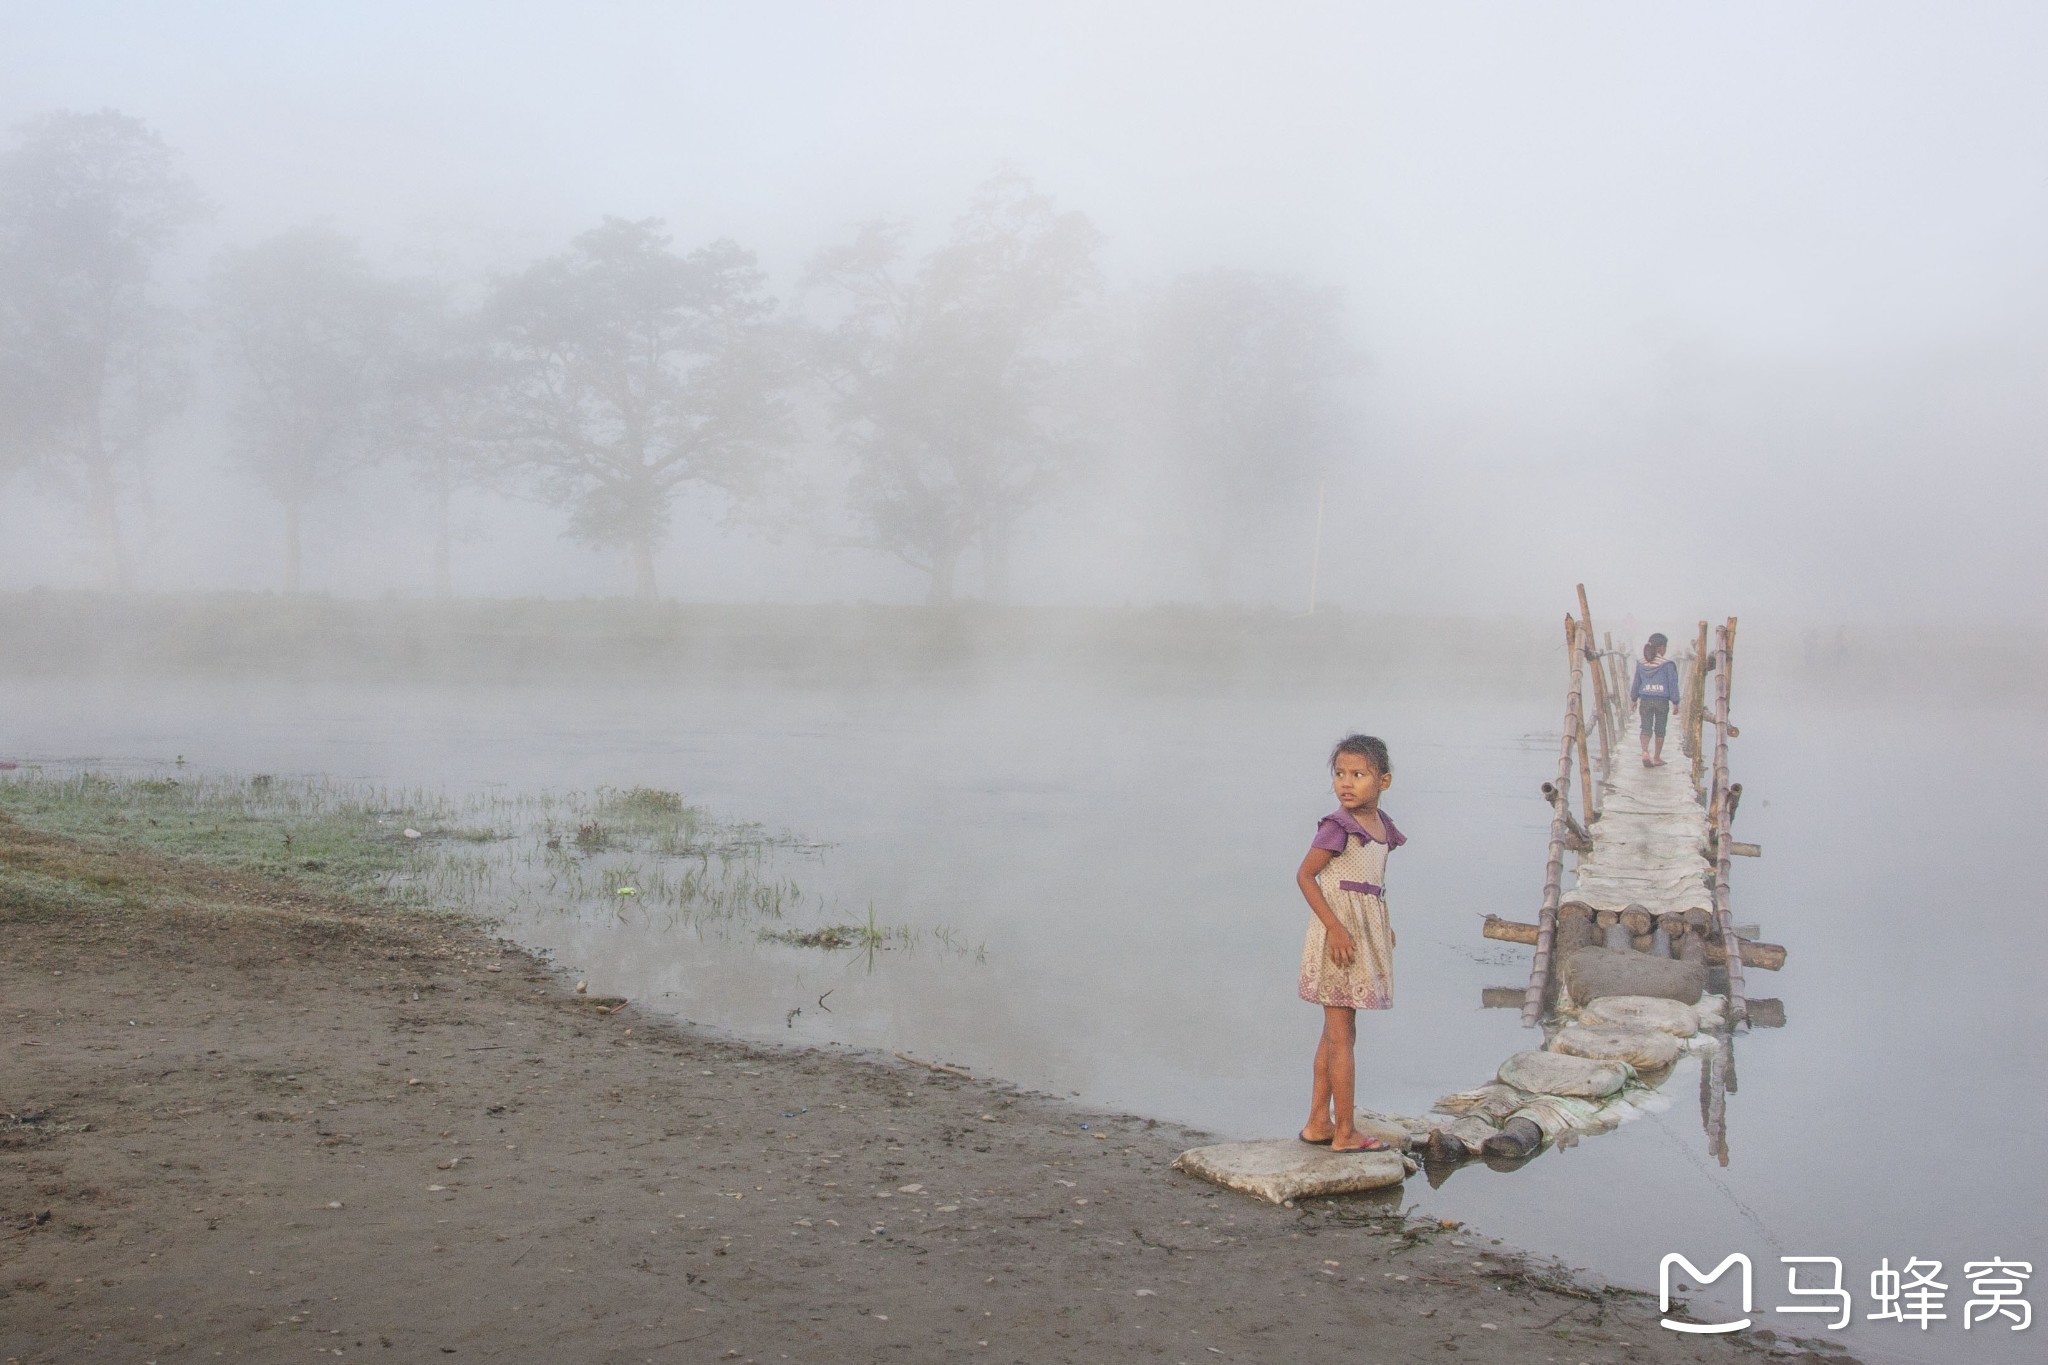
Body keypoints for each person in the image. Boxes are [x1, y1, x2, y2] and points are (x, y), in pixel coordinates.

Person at [1294, 734, 1405, 1152]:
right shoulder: (1336, 826)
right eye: (1340, 774)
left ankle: (1318, 1122)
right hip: (1337, 936)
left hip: (1362, 932)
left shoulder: (1380, 826)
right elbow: (1307, 876)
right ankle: (1345, 1132)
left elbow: (1370, 883)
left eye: (1358, 775)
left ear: (1384, 781)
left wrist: (1383, 925)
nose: (1347, 782)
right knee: (1341, 1035)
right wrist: (1336, 929)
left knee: (1337, 1032)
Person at [1630, 633, 1681, 767]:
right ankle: (1657, 758)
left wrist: (1634, 699)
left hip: (1645, 700)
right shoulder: (1667, 664)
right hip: (1661, 701)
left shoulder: (1641, 663)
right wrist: (1675, 702)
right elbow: (1672, 683)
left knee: (1645, 728)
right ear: (1662, 648)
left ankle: (1645, 752)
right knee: (1660, 729)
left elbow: (1636, 682)